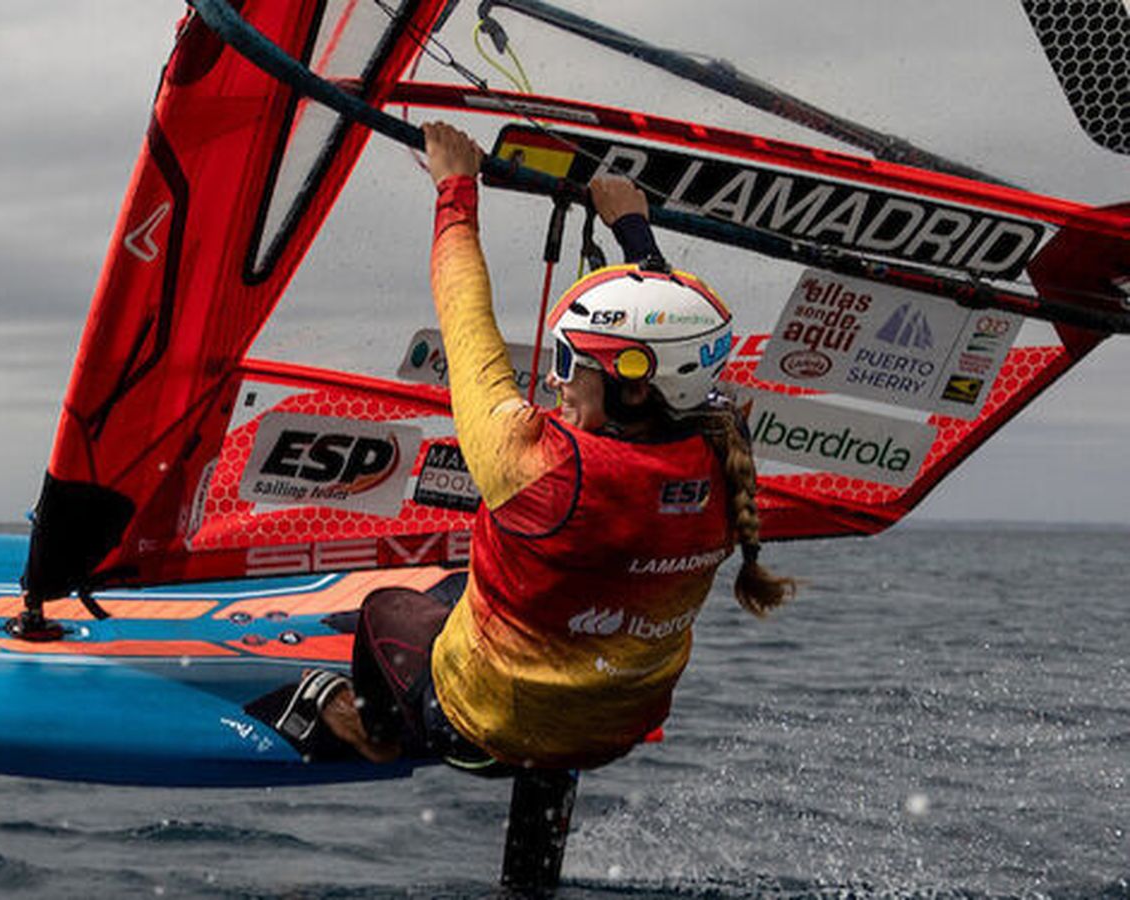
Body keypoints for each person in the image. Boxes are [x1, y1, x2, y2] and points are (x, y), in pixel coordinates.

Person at [269, 122, 795, 772]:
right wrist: (634, 230)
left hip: (481, 732)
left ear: (632, 391)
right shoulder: (725, 445)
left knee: (388, 608)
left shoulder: (541, 467)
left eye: (571, 362)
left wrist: (454, 187)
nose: (552, 378)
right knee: (463, 593)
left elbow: (464, 315)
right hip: (619, 728)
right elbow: (670, 337)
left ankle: (372, 733)